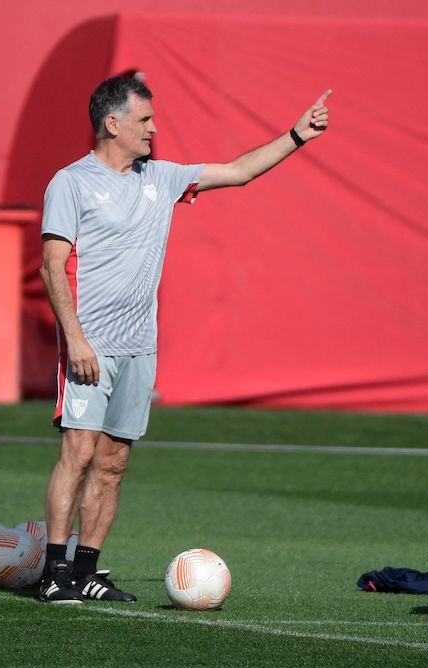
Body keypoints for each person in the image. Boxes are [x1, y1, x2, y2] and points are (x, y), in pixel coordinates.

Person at [37, 71, 331, 604]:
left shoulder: (163, 177)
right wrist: (74, 339)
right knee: (77, 452)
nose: (154, 128)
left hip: (140, 345)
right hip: (90, 343)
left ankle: (86, 571)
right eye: (144, 119)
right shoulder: (70, 183)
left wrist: (296, 136)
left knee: (114, 461)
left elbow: (239, 172)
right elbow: (52, 267)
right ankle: (54, 572)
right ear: (112, 122)